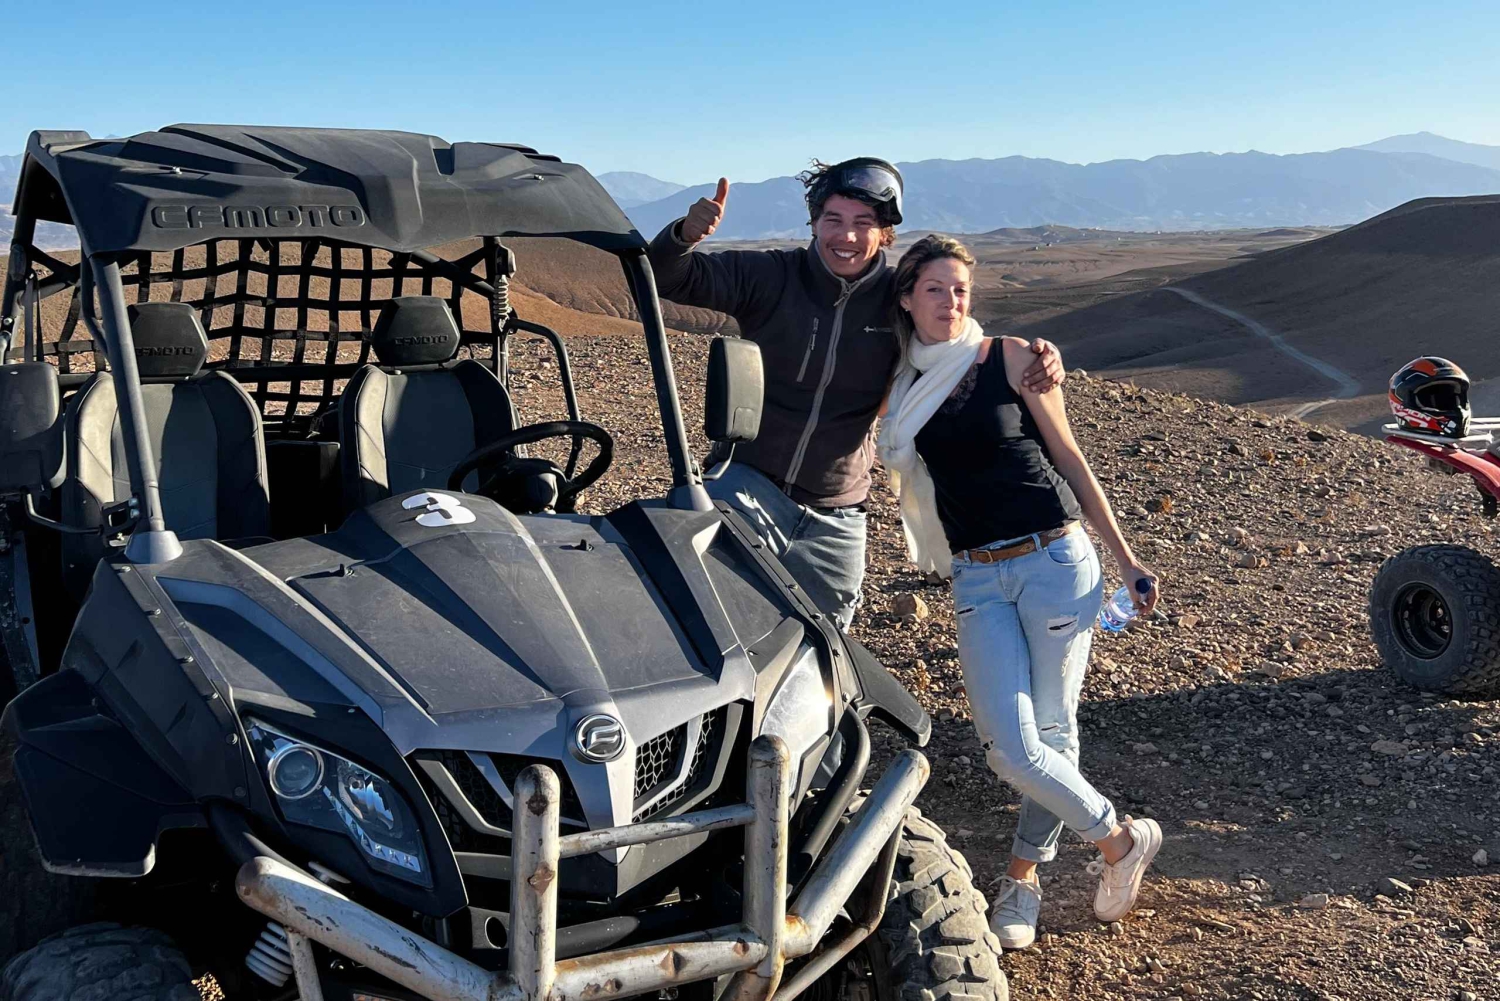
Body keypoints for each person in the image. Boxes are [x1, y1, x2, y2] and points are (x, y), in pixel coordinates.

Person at [877, 234, 1164, 949]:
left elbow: (1069, 457)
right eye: (935, 288)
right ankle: (1121, 841)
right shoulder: (902, 384)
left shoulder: (1010, 357)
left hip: (1055, 560)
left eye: (961, 289)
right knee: (1009, 748)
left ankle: (1021, 881)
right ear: (907, 298)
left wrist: (1127, 558)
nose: (951, 302)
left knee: (1053, 732)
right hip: (975, 572)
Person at [646, 159, 1064, 629]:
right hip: (747, 486)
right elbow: (668, 277)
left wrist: (1033, 353)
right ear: (814, 223)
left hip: (838, 513)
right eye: (834, 220)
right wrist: (683, 236)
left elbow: (956, 340)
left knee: (827, 643)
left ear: (884, 233)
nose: (846, 236)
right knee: (705, 621)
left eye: (863, 223)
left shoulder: (897, 300)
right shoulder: (771, 275)